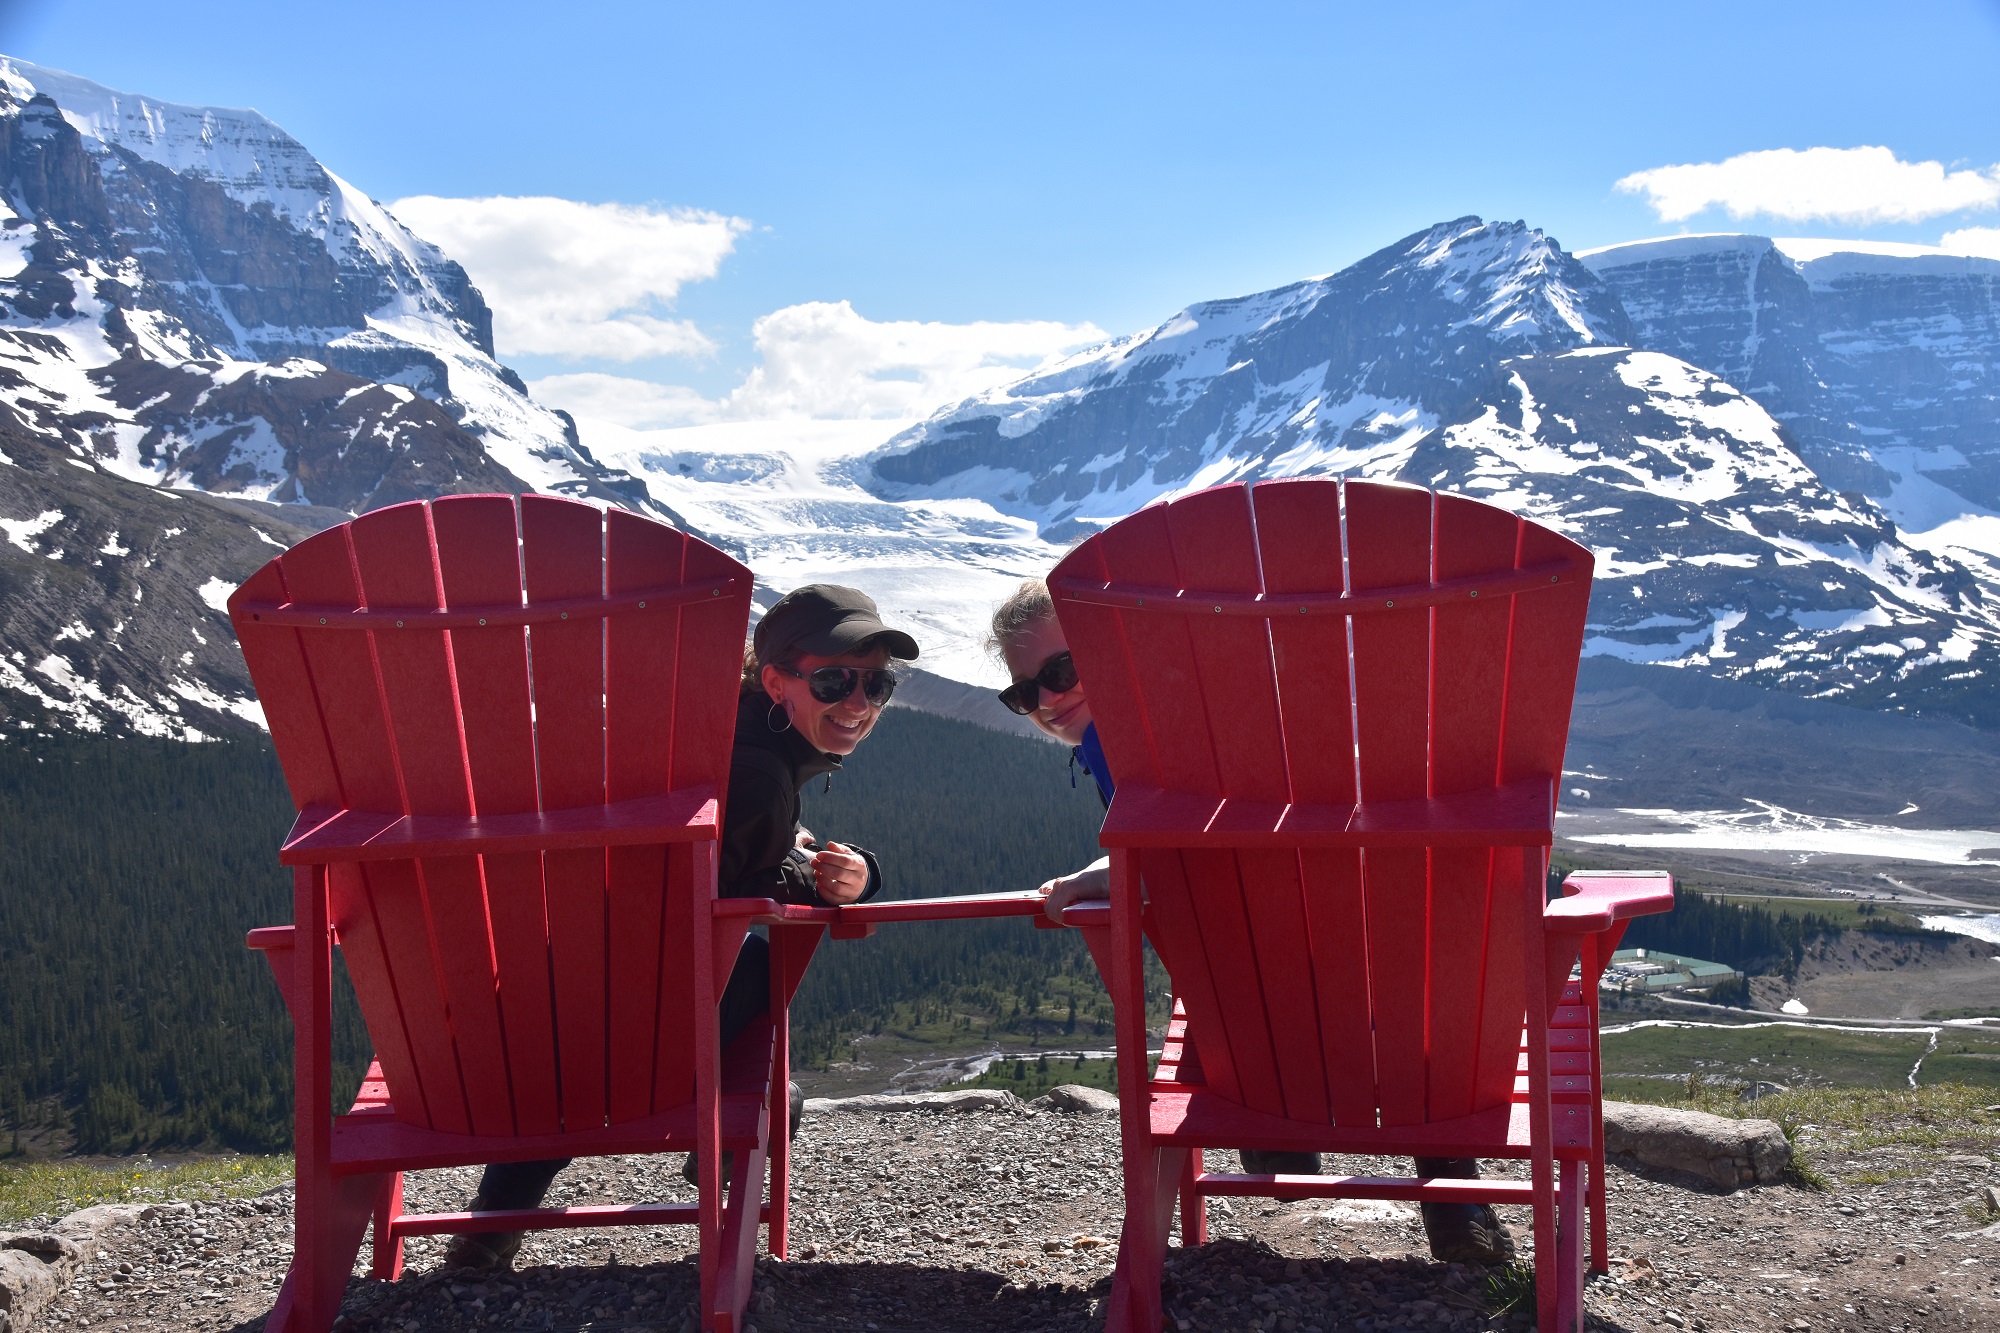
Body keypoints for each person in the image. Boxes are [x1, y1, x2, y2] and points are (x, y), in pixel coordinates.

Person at [989, 579, 1515, 1266]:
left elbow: (1183, 851)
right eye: (1025, 693)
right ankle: (1454, 1200)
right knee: (1393, 990)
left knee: (1259, 997)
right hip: (1399, 1010)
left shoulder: (1128, 738)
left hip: (1265, 1029)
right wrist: (1118, 865)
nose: (1049, 698)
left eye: (1061, 671)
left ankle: (1282, 1133)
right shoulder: (1209, 711)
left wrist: (1113, 871)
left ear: (1114, 650)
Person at [443, 584, 912, 1270]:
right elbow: (733, 885)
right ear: (777, 681)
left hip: (523, 1010)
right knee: (750, 964)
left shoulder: (706, 729)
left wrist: (812, 851)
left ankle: (491, 1224)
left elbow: (736, 846)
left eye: (878, 684)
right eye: (836, 679)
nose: (858, 702)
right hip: (624, 1048)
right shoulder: (758, 771)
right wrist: (827, 877)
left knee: (589, 1013)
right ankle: (721, 1140)